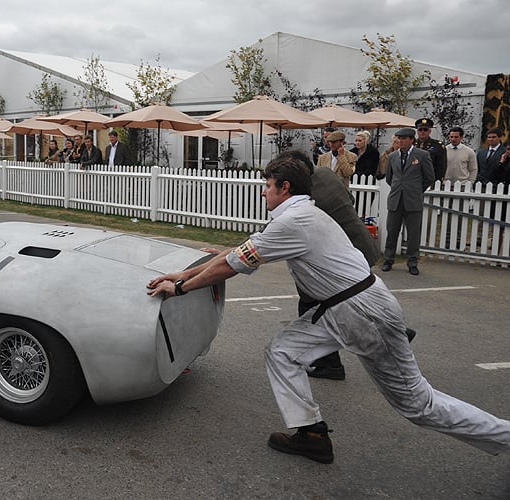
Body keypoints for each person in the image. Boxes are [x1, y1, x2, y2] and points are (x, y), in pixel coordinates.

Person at [146, 154, 510, 464]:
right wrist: (184, 272)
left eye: (267, 185)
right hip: (342, 309)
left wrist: (179, 287)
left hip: (362, 312)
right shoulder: (301, 214)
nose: (262, 191)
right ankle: (311, 435)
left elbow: (233, 264)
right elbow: (243, 250)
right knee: (283, 351)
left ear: (284, 188)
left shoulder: (294, 221)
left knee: (419, 405)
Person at [275, 150, 383, 381]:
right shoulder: (326, 174)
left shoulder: (309, 196)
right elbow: (350, 199)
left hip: (342, 254)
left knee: (312, 306)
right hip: (360, 245)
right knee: (350, 301)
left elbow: (284, 226)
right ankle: (391, 332)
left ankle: (330, 364)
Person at [382, 128, 435, 275]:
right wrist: (398, 188)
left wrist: (416, 190)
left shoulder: (422, 155)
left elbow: (429, 177)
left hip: (413, 200)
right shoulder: (392, 156)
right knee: (392, 231)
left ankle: (412, 261)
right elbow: (389, 178)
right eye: (399, 139)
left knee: (413, 233)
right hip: (395, 199)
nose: (401, 141)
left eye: (404, 139)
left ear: (412, 140)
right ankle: (388, 259)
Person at [414, 118, 447, 183]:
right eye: (420, 130)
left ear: (429, 131)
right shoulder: (411, 144)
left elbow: (441, 166)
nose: (422, 132)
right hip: (413, 180)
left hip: (430, 179)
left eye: (425, 130)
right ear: (417, 131)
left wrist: (437, 180)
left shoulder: (438, 145)